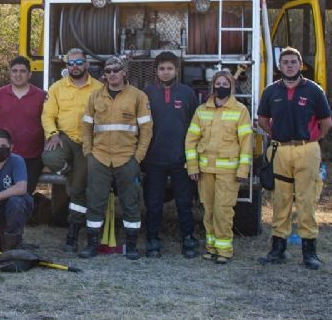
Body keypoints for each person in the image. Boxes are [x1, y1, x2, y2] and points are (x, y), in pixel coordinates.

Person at [257, 47, 332, 269]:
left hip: (307, 149)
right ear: (279, 66)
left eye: (293, 62)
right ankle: (278, 249)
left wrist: (314, 138)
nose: (289, 65)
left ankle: (309, 252)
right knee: (281, 199)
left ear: (301, 65)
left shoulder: (313, 90)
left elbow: (326, 121)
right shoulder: (271, 91)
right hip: (281, 150)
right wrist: (275, 135)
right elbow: (262, 119)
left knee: (306, 199)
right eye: (285, 62)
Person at [79, 56, 152, 260]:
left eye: (116, 70)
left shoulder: (138, 97)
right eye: (108, 71)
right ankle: (92, 244)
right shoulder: (95, 97)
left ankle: (132, 246)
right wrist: (89, 153)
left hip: (127, 158)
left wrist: (137, 158)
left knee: (131, 203)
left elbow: (146, 130)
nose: (112, 74)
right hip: (99, 158)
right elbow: (86, 126)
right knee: (95, 202)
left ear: (124, 72)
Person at [185, 70, 252, 264]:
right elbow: (191, 141)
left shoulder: (240, 110)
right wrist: (193, 167)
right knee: (209, 211)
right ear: (212, 86)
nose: (221, 87)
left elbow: (246, 143)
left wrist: (243, 170)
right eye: (218, 83)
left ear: (231, 86)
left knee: (223, 211)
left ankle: (225, 251)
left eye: (225, 84)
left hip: (228, 171)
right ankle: (211, 247)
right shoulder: (201, 110)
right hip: (205, 171)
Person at [40, 48, 103, 252]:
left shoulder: (99, 88)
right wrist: (53, 134)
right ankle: (69, 171)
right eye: (71, 63)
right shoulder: (57, 88)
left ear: (86, 65)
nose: (75, 67)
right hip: (65, 139)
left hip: (88, 143)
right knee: (49, 157)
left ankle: (73, 231)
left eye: (79, 63)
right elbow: (47, 115)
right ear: (66, 67)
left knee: (78, 189)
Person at [142, 51, 199, 258]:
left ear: (177, 70)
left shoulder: (187, 93)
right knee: (153, 203)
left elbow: (195, 125)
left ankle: (188, 238)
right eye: (162, 68)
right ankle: (152, 240)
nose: (166, 72)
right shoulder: (146, 93)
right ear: (156, 71)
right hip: (153, 159)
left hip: (181, 159)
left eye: (170, 68)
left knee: (184, 202)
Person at [0, 56, 46, 194]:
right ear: (10, 73)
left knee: (23, 195)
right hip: (3, 154)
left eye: (23, 71)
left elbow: (48, 123)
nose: (18, 74)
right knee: (1, 192)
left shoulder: (41, 96)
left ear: (30, 74)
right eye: (14, 71)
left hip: (32, 156)